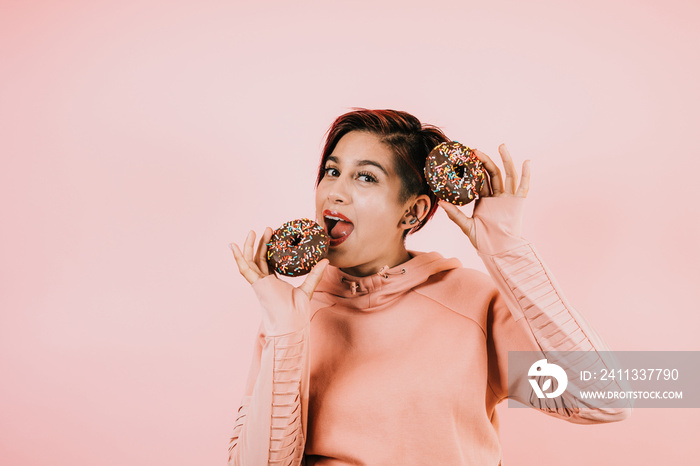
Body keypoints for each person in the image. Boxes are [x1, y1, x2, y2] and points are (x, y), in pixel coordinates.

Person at [227, 109, 630, 465]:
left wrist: (506, 250)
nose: (335, 191)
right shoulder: (291, 315)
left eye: (365, 177)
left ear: (413, 211)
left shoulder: (473, 303)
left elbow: (603, 399)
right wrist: (285, 331)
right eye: (332, 171)